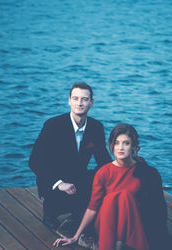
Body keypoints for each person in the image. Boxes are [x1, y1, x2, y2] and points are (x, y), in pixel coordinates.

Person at [54, 123, 172, 250]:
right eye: (116, 143)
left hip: (134, 223)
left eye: (126, 143)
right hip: (106, 222)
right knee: (111, 199)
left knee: (124, 196)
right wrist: (76, 236)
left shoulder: (146, 172)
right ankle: (116, 245)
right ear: (111, 146)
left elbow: (156, 207)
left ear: (134, 147)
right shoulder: (104, 172)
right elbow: (93, 208)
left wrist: (157, 235)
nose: (120, 147)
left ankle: (119, 244)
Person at [29, 83, 111, 230]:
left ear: (91, 103)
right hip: (54, 179)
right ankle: (50, 212)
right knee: (57, 206)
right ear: (69, 101)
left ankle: (79, 211)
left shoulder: (96, 127)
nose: (79, 103)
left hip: (78, 177)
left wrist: (122, 173)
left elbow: (103, 160)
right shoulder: (53, 125)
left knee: (102, 175)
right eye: (75, 98)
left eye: (84, 99)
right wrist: (59, 183)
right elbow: (34, 161)